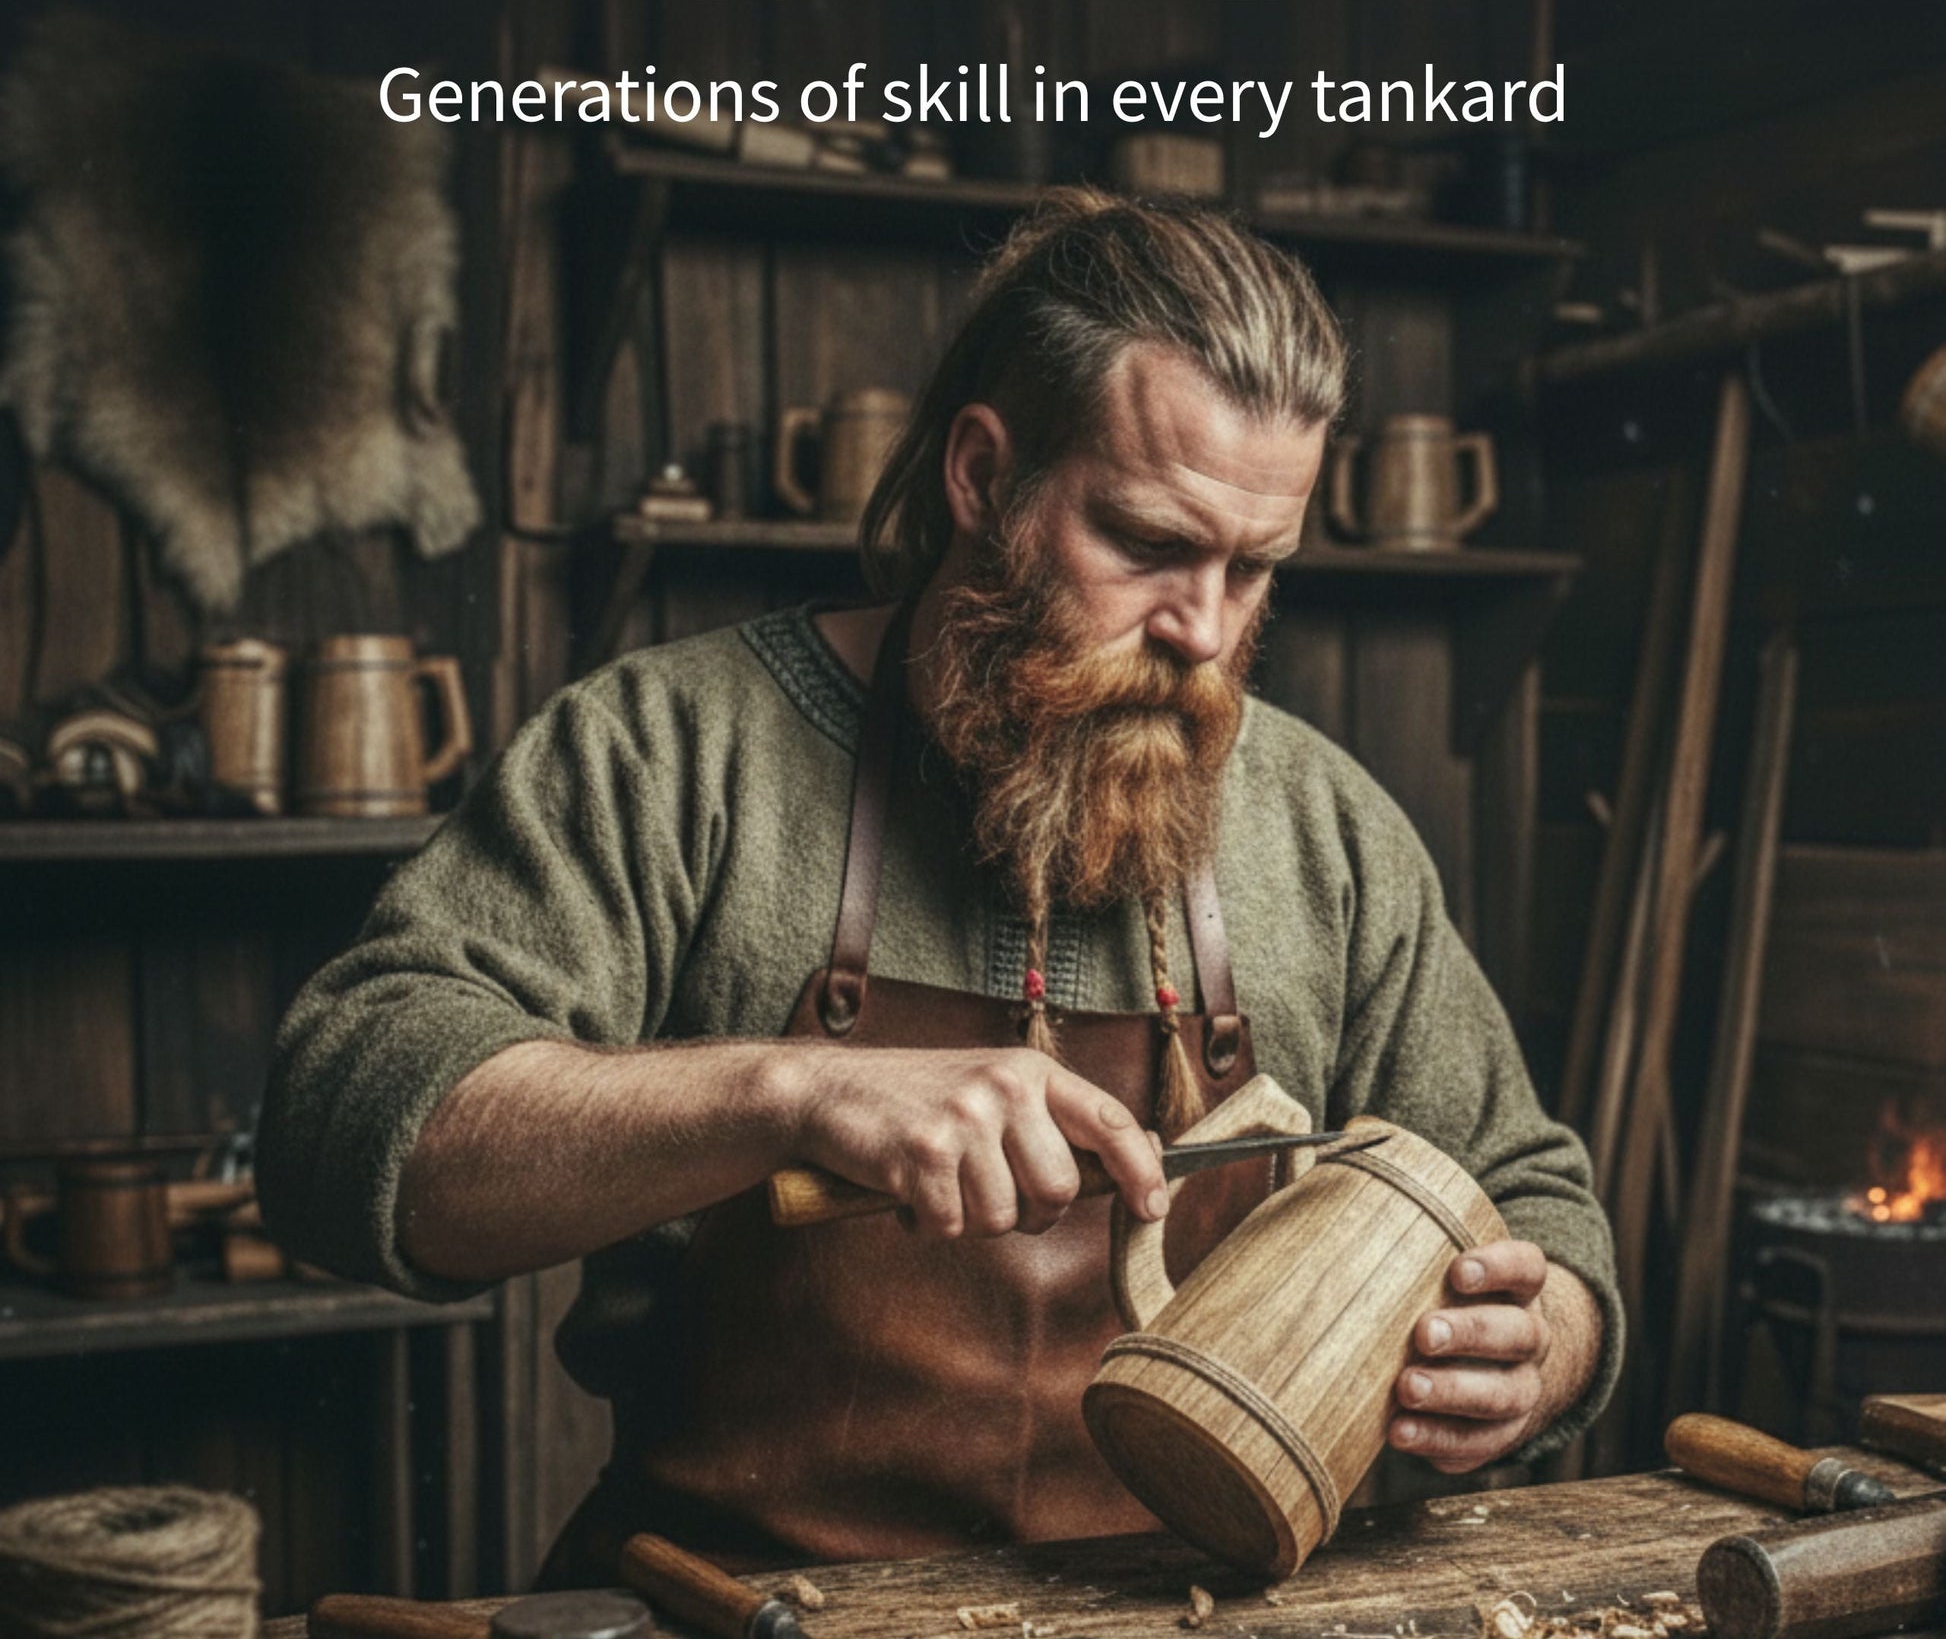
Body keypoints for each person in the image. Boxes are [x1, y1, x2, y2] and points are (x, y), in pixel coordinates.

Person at [259, 189, 1620, 1583]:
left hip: (1194, 1617)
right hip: (743, 1610)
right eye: (1147, 543)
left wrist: (1541, 1339)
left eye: (1251, 567)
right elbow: (342, 1119)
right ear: (984, 475)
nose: (1201, 632)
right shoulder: (670, 754)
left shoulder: (1325, 826)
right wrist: (792, 1091)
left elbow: (1533, 1200)